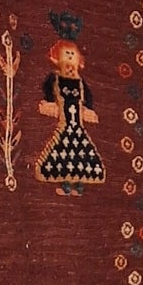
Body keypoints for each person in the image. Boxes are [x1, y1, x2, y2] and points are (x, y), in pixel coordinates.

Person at [35, 39, 104, 193]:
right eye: (66, 53)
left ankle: (79, 183)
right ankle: (66, 183)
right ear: (57, 57)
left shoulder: (80, 82)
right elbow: (48, 89)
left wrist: (88, 109)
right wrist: (50, 102)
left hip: (76, 123)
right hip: (65, 122)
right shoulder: (55, 78)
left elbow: (88, 96)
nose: (70, 56)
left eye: (73, 54)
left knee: (81, 150)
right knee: (63, 149)